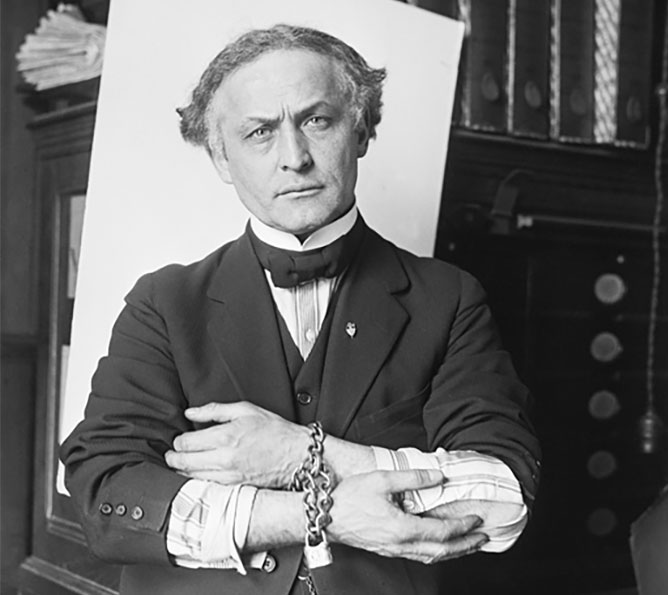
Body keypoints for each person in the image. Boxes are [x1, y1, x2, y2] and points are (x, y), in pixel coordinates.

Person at [60, 23, 540, 595]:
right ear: (221, 158)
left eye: (317, 121)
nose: (294, 158)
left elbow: (503, 497)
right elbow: (108, 498)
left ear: (361, 131)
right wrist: (322, 513)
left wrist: (305, 455)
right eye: (260, 132)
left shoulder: (449, 297)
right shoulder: (161, 304)